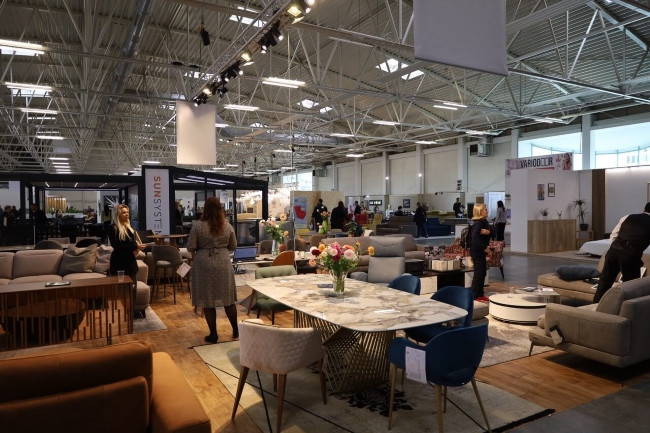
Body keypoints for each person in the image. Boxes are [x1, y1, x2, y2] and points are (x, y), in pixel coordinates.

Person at [186, 196, 238, 344]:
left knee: (208, 300)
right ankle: (236, 329)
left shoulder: (198, 226)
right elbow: (233, 246)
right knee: (228, 299)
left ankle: (213, 334)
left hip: (204, 264)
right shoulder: (227, 226)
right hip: (223, 262)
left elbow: (190, 247)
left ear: (205, 209)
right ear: (220, 209)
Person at [593, 203, 650, 303]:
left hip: (613, 252)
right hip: (630, 256)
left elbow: (613, 235)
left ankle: (595, 307)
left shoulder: (627, 217)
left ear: (644, 209)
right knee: (630, 286)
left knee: (604, 282)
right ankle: (625, 310)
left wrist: (616, 248)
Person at [106, 204, 146, 316]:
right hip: (119, 263)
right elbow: (117, 246)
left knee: (132, 290)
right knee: (120, 291)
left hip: (130, 262)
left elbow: (131, 245)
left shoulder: (130, 227)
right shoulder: (112, 228)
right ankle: (121, 314)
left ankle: (131, 313)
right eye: (124, 212)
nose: (127, 214)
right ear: (117, 215)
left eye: (127, 212)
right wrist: (135, 247)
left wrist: (136, 248)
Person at [469, 203, 492, 302]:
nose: (487, 211)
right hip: (477, 251)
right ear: (479, 212)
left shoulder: (484, 222)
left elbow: (493, 232)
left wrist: (488, 232)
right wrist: (485, 248)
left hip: (480, 251)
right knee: (479, 273)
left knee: (482, 272)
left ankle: (480, 294)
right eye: (485, 210)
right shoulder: (478, 224)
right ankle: (475, 295)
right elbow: (475, 239)